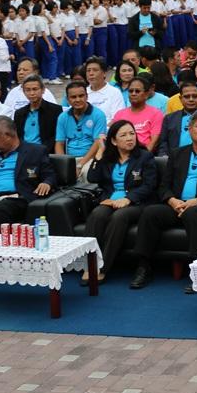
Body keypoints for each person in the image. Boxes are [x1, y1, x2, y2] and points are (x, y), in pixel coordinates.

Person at [130, 111, 197, 290]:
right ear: (190, 129)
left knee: (193, 214)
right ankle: (143, 266)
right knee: (151, 212)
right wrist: (172, 200)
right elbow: (164, 186)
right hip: (178, 205)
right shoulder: (177, 153)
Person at [84, 120, 158, 284]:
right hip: (111, 200)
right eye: (123, 135)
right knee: (97, 214)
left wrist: (128, 199)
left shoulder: (145, 157)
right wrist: (99, 154)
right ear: (114, 141)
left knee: (119, 217)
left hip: (137, 203)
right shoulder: (108, 158)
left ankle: (103, 267)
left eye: (132, 133)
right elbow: (92, 178)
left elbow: (149, 185)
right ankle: (89, 264)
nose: (129, 138)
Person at [54, 81, 108, 177]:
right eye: (73, 97)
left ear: (87, 96)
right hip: (69, 159)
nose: (78, 99)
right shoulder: (63, 117)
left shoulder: (98, 115)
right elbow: (59, 143)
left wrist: (80, 165)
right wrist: (62, 164)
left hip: (90, 159)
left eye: (81, 96)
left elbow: (97, 143)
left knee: (87, 173)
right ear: (67, 100)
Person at [112, 77, 165, 151]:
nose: (133, 94)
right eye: (131, 91)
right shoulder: (119, 114)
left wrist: (143, 156)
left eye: (137, 91)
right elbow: (113, 138)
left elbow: (153, 142)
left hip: (144, 153)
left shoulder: (156, 114)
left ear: (146, 94)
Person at [13, 74, 63, 149]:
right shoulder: (19, 113)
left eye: (35, 89)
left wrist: (41, 150)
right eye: (28, 90)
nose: (32, 93)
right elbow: (18, 136)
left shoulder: (55, 110)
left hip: (45, 151)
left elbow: (56, 136)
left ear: (43, 90)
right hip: (23, 151)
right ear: (24, 92)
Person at [158, 82, 197, 156]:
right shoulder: (169, 118)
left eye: (194, 96)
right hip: (175, 159)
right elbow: (163, 142)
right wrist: (164, 156)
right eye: (187, 97)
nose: (191, 99)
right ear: (180, 99)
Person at [83, 56, 125, 122]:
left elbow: (117, 118)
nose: (91, 73)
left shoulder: (114, 92)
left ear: (104, 73)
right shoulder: (83, 92)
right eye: (88, 71)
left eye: (95, 70)